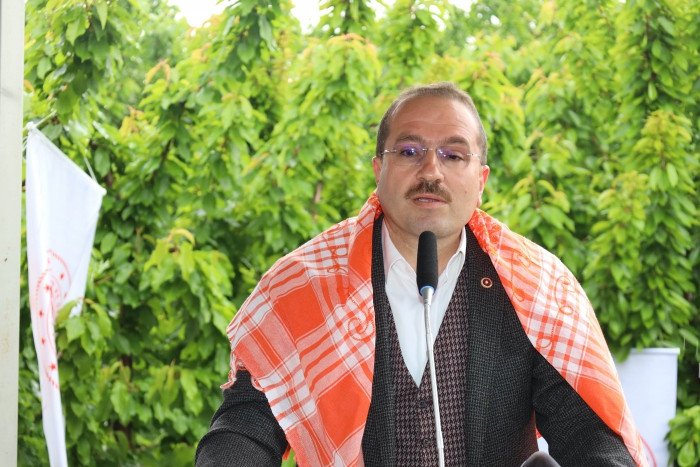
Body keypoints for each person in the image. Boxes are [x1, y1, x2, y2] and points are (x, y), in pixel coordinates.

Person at [195, 82, 649, 467]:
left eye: (454, 155)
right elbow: (247, 426)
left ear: (481, 181)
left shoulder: (535, 288)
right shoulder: (307, 284)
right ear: (379, 170)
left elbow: (587, 432)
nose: (431, 171)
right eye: (410, 151)